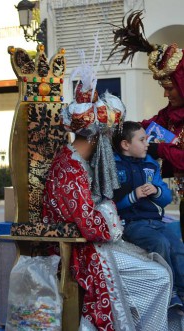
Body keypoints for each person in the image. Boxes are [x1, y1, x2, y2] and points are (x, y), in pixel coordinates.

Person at [42, 48, 175, 330]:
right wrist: (109, 216)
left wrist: (107, 213)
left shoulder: (80, 164)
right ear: (100, 139)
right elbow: (92, 226)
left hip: (94, 247)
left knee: (160, 268)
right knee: (159, 276)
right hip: (80, 253)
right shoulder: (70, 168)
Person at [109, 10, 184, 241]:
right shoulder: (170, 115)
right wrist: (114, 123)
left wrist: (159, 149)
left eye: (170, 88)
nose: (165, 93)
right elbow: (145, 128)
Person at [112, 120, 184, 310]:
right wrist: (133, 196)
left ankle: (182, 291)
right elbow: (111, 203)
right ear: (126, 145)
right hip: (132, 223)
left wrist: (156, 191)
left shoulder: (150, 164)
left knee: (176, 243)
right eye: (142, 140)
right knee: (160, 243)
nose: (147, 144)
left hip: (156, 221)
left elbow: (166, 197)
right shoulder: (114, 165)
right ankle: (170, 293)